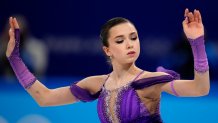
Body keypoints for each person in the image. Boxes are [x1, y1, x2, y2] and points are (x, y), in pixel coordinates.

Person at [5, 8, 209, 123]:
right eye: (120, 41)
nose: (129, 44)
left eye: (133, 37)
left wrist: (197, 43)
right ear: (107, 50)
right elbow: (45, 98)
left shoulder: (149, 81)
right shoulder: (97, 84)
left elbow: (200, 89)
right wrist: (15, 59)